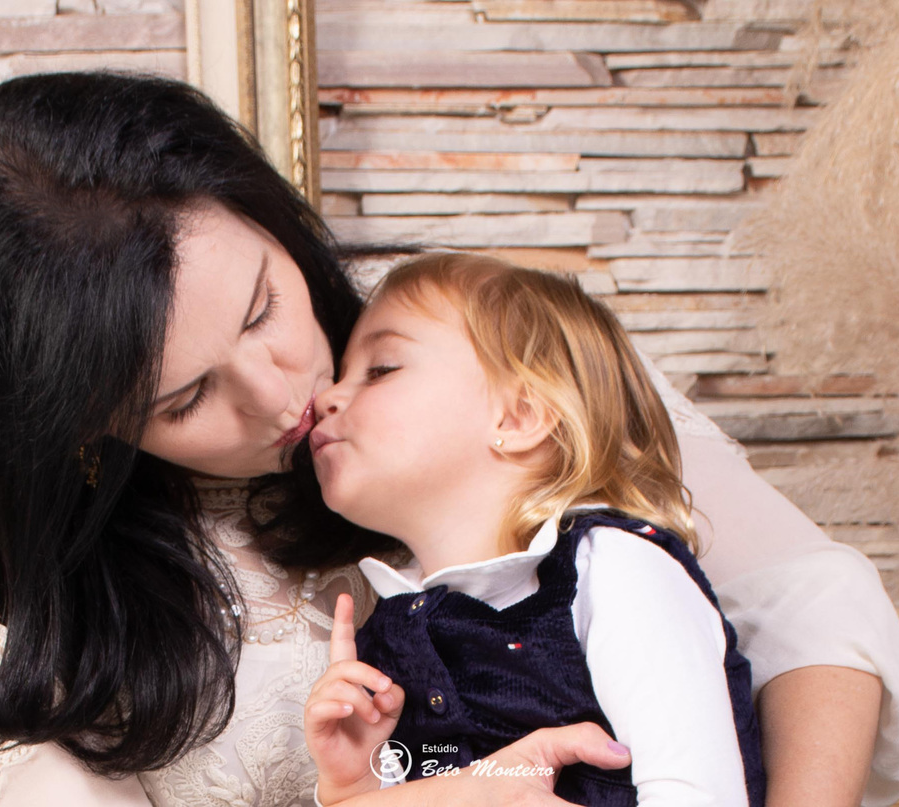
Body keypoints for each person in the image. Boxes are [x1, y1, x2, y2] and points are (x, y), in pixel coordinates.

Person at [0, 71, 899, 806]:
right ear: (83, 438)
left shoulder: (458, 337)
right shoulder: (3, 532)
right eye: (186, 399)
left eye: (260, 307)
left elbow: (806, 603)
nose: (291, 391)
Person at [303, 254, 764, 806]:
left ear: (518, 417)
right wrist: (356, 787)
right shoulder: (391, 631)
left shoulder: (614, 570)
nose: (326, 396)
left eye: (380, 369)